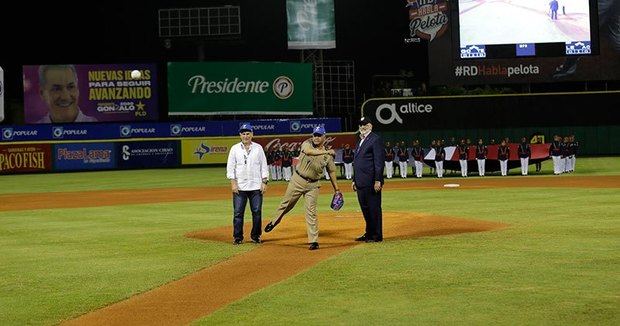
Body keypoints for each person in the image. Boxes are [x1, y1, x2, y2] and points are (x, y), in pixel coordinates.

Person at [263, 126, 340, 250]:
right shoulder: (307, 143)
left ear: (324, 137)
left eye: (319, 135)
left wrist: (336, 189)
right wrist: (327, 152)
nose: (316, 137)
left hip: (313, 185)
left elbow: (331, 171)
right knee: (287, 204)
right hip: (298, 180)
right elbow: (309, 152)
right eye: (315, 135)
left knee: (311, 212)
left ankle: (313, 241)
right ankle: (274, 222)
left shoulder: (327, 155)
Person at [226, 123, 269, 245]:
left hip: (256, 186)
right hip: (240, 186)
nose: (246, 136)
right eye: (243, 133)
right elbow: (230, 167)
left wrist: (264, 182)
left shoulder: (258, 148)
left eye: (248, 133)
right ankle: (237, 237)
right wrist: (233, 182)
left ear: (252, 134)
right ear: (240, 135)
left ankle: (256, 236)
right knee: (238, 213)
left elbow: (263, 166)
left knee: (257, 212)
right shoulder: (234, 149)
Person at [353, 116, 384, 243]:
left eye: (365, 124)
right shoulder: (360, 140)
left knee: (373, 208)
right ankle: (369, 233)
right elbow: (357, 162)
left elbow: (379, 162)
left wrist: (378, 180)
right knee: (365, 209)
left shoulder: (375, 139)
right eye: (360, 125)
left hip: (371, 182)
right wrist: (354, 180)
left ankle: (376, 235)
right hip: (361, 181)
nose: (362, 127)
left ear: (370, 126)